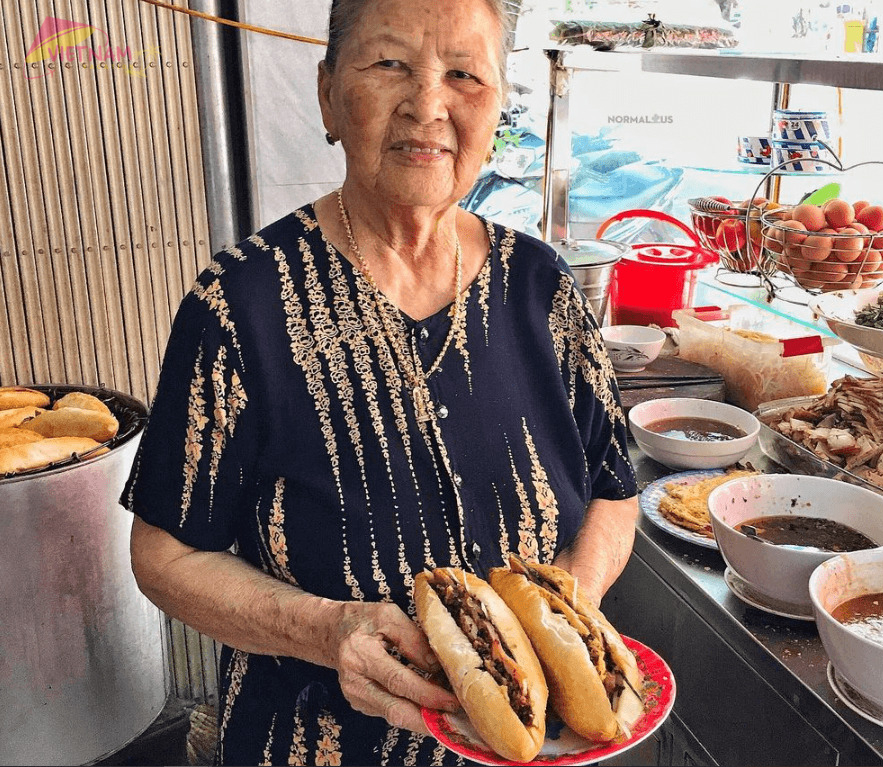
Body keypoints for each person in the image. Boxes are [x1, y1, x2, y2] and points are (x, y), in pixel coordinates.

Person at [123, 0, 639, 763]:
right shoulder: (239, 305)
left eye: (464, 74)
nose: (428, 104)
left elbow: (615, 486)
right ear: (329, 95)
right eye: (390, 63)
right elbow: (163, 554)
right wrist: (324, 630)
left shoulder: (543, 287)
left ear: (498, 104)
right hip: (309, 741)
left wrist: (563, 617)